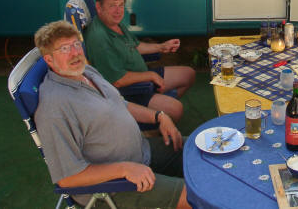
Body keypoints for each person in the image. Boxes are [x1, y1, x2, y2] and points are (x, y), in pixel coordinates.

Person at [34, 21, 191, 208]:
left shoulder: (86, 72)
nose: (75, 53)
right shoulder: (54, 108)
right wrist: (124, 169)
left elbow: (119, 103)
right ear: (49, 60)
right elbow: (68, 178)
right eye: (64, 49)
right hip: (114, 186)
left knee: (201, 150)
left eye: (76, 44)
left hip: (141, 153)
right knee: (198, 196)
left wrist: (158, 116)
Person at [84, 0, 195, 122]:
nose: (118, 11)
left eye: (121, 5)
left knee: (188, 74)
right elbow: (117, 81)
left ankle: (158, 111)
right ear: (99, 7)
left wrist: (161, 47)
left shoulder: (114, 24)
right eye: (112, 5)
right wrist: (151, 76)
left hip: (141, 75)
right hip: (130, 90)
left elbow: (135, 46)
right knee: (177, 109)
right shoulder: (99, 38)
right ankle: (151, 122)